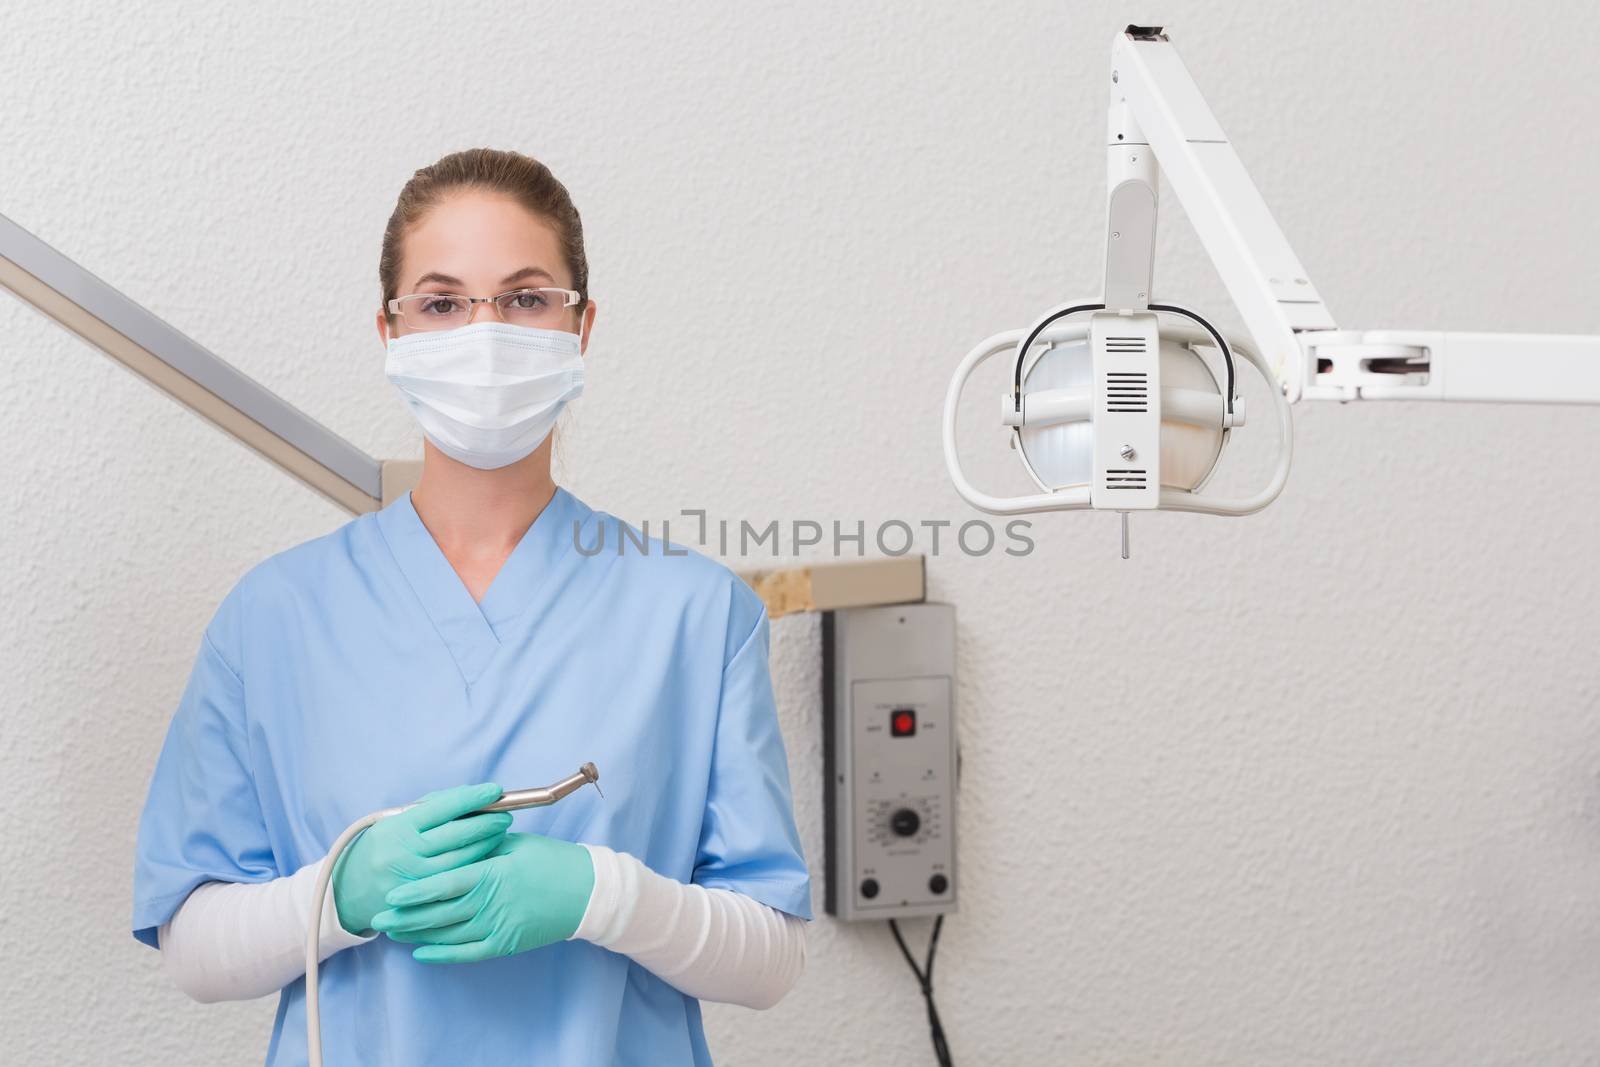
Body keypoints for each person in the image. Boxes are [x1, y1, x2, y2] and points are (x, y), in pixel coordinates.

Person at [131, 148, 812, 1066]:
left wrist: (601, 895)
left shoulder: (696, 612)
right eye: (443, 301)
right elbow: (192, 945)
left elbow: (769, 958)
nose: (484, 331)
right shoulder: (274, 617)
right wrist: (339, 896)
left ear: (582, 326)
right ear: (390, 329)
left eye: (526, 297)